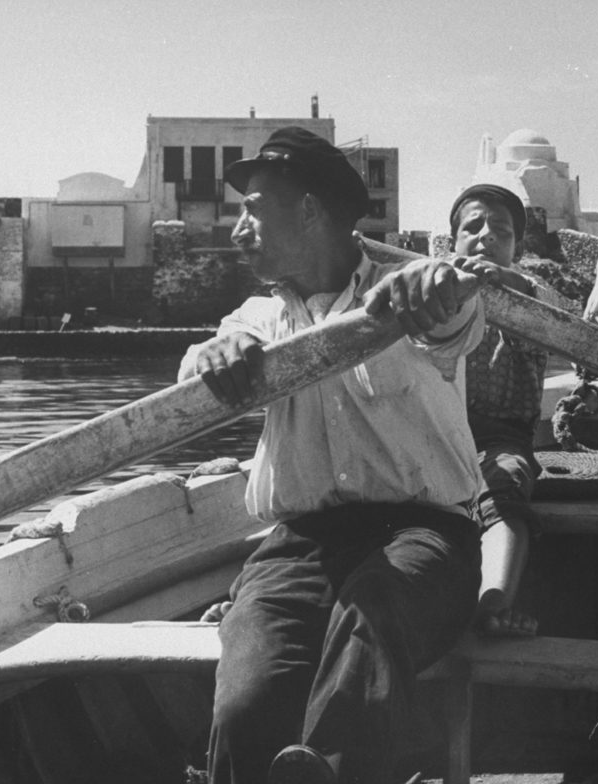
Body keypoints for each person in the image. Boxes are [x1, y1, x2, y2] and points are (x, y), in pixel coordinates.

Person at [178, 127, 486, 784]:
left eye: (253, 210)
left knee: (373, 614)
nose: (238, 229)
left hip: (424, 537)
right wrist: (210, 361)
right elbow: (192, 379)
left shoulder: (413, 291)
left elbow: (459, 317)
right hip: (296, 548)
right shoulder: (257, 320)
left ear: (310, 210)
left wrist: (436, 291)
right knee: (245, 705)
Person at [449, 184, 547, 638]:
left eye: (500, 231)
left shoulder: (532, 292)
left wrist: (504, 283)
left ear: (517, 248)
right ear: (452, 242)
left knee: (503, 492)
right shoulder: (435, 288)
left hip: (500, 439)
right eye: (472, 227)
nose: (485, 235)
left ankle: (494, 604)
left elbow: (557, 315)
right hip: (433, 432)